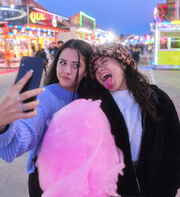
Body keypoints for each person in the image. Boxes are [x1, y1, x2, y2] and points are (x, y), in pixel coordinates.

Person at [0, 39, 93, 197]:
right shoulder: (46, 97)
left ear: (86, 71)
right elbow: (25, 133)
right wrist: (4, 124)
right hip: (46, 183)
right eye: (62, 62)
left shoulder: (91, 99)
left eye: (76, 65)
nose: (67, 70)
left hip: (77, 182)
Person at [87, 42, 180, 197]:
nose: (99, 69)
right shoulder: (95, 105)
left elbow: (175, 149)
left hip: (155, 188)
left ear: (124, 64)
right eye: (95, 69)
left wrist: (165, 189)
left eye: (104, 62)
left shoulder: (157, 98)